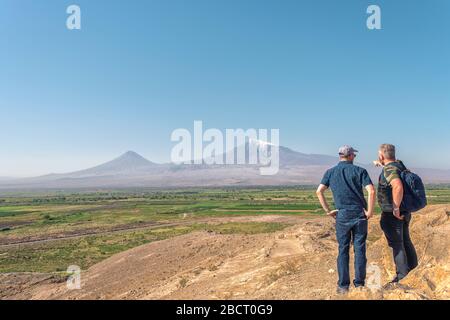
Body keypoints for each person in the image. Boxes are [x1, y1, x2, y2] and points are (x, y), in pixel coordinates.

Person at [316, 145, 375, 294]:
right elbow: (371, 191)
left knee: (343, 250)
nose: (354, 157)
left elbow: (319, 191)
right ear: (350, 156)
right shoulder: (360, 171)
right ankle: (359, 284)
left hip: (342, 215)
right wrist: (369, 211)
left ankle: (343, 286)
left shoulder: (330, 172)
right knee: (359, 248)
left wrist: (328, 211)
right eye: (354, 155)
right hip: (359, 214)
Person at [376, 144, 418, 284]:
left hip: (392, 214)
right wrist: (381, 164)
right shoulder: (400, 165)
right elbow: (392, 168)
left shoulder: (389, 169)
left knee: (397, 245)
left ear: (381, 155)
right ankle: (413, 270)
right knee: (406, 241)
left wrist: (395, 208)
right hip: (405, 212)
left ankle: (402, 277)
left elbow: (397, 186)